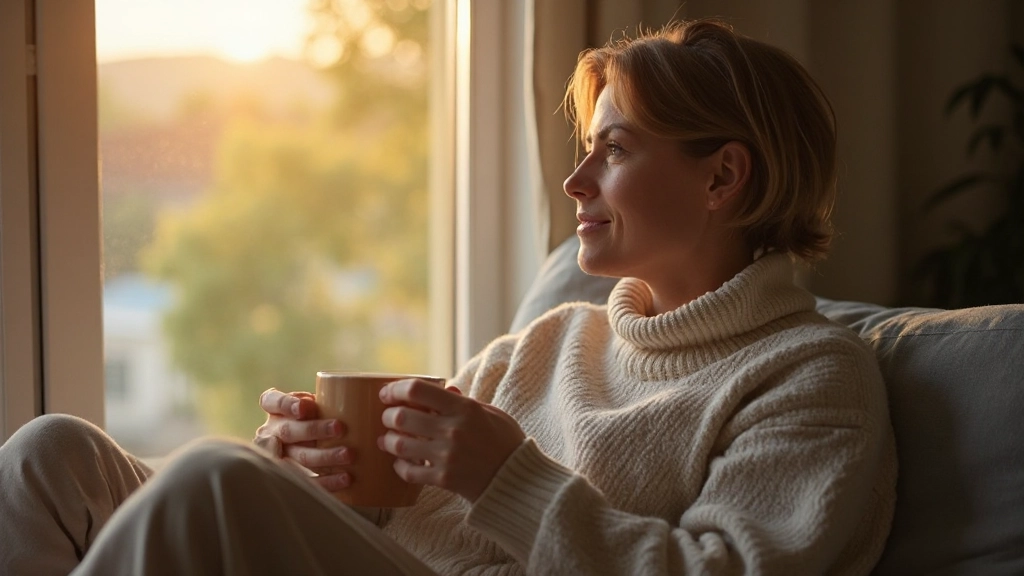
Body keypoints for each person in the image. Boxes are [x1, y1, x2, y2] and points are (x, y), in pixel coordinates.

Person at [0, 19, 896, 575]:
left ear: (723, 177)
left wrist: (510, 480)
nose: (576, 180)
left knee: (211, 482)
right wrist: (321, 473)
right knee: (53, 455)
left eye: (616, 150)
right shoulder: (549, 345)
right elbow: (402, 510)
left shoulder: (810, 379)